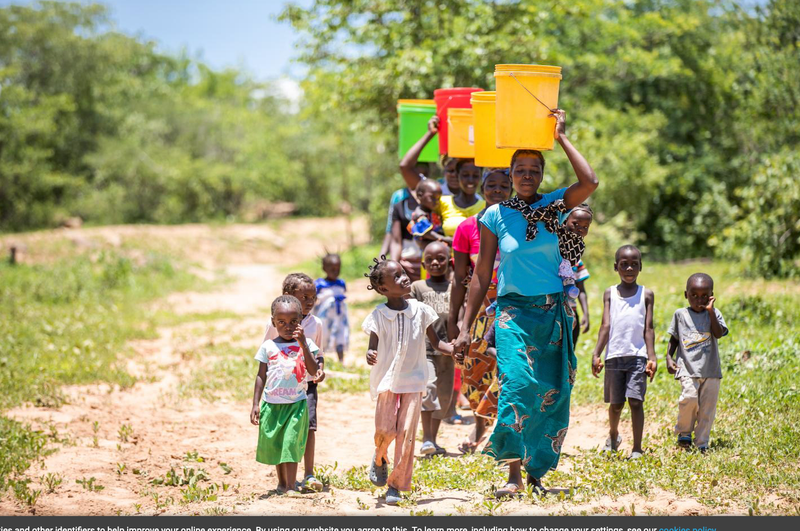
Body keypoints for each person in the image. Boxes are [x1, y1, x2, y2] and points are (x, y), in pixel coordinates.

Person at [453, 109, 599, 497]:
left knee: (551, 393)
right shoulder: (494, 216)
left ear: (542, 174)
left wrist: (561, 136)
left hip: (553, 313)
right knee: (517, 386)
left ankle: (537, 475)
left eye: (535, 170)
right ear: (511, 174)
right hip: (512, 314)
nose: (527, 176)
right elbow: (481, 273)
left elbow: (590, 181)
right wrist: (465, 326)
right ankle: (513, 476)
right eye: (521, 170)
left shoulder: (556, 204)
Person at [362, 257, 453, 505]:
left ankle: (396, 485)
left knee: (406, 435)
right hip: (388, 381)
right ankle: (380, 457)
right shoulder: (379, 315)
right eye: (397, 276)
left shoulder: (421, 310)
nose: (405, 278)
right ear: (383, 288)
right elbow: (372, 346)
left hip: (413, 381)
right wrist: (370, 354)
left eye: (403, 273)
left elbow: (437, 343)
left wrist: (453, 349)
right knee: (384, 430)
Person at [448, 168, 513, 453]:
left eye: (504, 185)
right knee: (475, 367)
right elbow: (459, 278)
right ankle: (479, 423)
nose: (497, 190)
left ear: (511, 190)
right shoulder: (467, 228)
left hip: (514, 302)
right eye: (491, 184)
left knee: (509, 366)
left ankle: (499, 430)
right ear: (482, 188)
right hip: (480, 307)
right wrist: (455, 321)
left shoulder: (519, 224)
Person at [591, 245, 657, 460]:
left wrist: (652, 356)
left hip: (638, 356)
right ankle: (613, 436)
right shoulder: (610, 293)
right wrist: (596, 353)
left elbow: (649, 328)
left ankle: (637, 448)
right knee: (616, 404)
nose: (629, 269)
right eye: (624, 264)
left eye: (634, 264)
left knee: (636, 401)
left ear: (641, 267)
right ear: (615, 267)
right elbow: (605, 325)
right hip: (614, 357)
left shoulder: (646, 294)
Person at [262, 273, 326, 492]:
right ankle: (287, 480)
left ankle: (309, 474)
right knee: (284, 429)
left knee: (308, 427)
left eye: (313, 297)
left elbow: (319, 354)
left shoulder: (316, 324)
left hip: (307, 385)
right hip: (282, 388)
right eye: (304, 297)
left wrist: (320, 370)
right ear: (288, 295)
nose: (310, 301)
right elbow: (267, 353)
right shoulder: (275, 322)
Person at [250, 295, 320, 494]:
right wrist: (255, 404)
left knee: (290, 443)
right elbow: (261, 375)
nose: (288, 326)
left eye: (293, 322)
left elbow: (313, 370)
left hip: (296, 404)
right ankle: (282, 484)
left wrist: (303, 344)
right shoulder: (268, 346)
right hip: (272, 404)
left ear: (301, 322)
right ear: (273, 322)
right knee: (277, 445)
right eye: (281, 322)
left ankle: (290, 486)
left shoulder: (306, 344)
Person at [665, 273, 729, 453]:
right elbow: (674, 339)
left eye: (704, 296)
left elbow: (718, 333)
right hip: (687, 368)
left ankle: (702, 442)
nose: (699, 300)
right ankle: (684, 432)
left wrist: (711, 311)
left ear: (711, 296)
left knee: (707, 409)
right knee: (689, 398)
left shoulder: (715, 313)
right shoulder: (680, 314)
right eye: (694, 295)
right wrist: (669, 357)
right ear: (686, 294)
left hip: (711, 370)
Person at [400, 116, 485, 238]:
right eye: (450, 170)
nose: (454, 175)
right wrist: (430, 134)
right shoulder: (433, 193)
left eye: (459, 172)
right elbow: (405, 166)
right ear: (444, 171)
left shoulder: (479, 202)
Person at [409, 241, 454, 456]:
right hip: (424, 350)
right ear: (423, 264)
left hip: (449, 351)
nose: (435, 262)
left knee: (443, 397)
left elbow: (460, 314)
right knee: (428, 389)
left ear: (450, 262)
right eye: (430, 260)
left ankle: (433, 441)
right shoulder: (417, 287)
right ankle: (426, 438)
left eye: (440, 258)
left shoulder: (455, 288)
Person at [314, 254, 349, 363]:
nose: (335, 272)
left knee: (340, 335)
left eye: (338, 269)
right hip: (325, 317)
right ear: (324, 268)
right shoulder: (320, 284)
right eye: (332, 269)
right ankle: (319, 359)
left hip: (339, 316)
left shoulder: (341, 283)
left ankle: (341, 361)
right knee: (323, 336)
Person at [388, 186, 422, 281]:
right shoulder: (398, 204)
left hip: (428, 264)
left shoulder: (435, 207)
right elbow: (395, 241)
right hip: (406, 264)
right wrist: (394, 269)